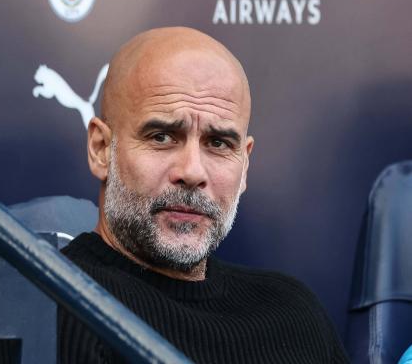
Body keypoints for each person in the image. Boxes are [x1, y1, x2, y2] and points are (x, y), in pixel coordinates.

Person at [58, 27, 349, 363]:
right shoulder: (52, 307)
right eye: (163, 137)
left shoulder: (295, 312)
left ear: (244, 165)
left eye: (218, 143)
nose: (193, 172)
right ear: (100, 149)